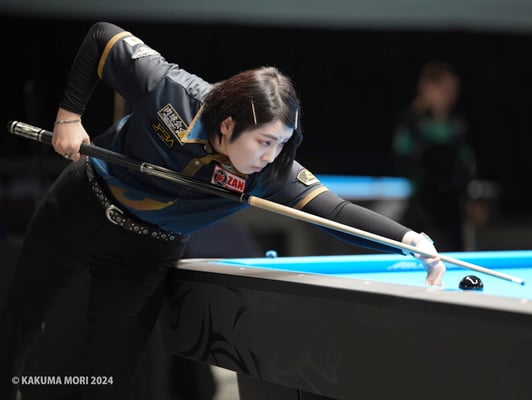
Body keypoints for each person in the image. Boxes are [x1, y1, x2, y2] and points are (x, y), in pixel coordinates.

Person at [0, 21, 445, 400]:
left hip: (144, 254)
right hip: (82, 202)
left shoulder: (271, 172)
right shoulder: (171, 92)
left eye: (281, 144)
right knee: (18, 319)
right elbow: (102, 37)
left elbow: (333, 211)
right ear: (229, 124)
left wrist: (408, 240)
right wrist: (68, 117)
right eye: (264, 142)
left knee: (109, 378)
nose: (271, 156)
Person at [392, 61, 478, 252]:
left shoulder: (458, 122)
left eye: (454, 91)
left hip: (453, 208)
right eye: (446, 90)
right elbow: (404, 159)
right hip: (421, 205)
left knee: (454, 253)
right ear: (427, 87)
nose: (452, 96)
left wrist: (471, 196)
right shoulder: (410, 120)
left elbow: (466, 162)